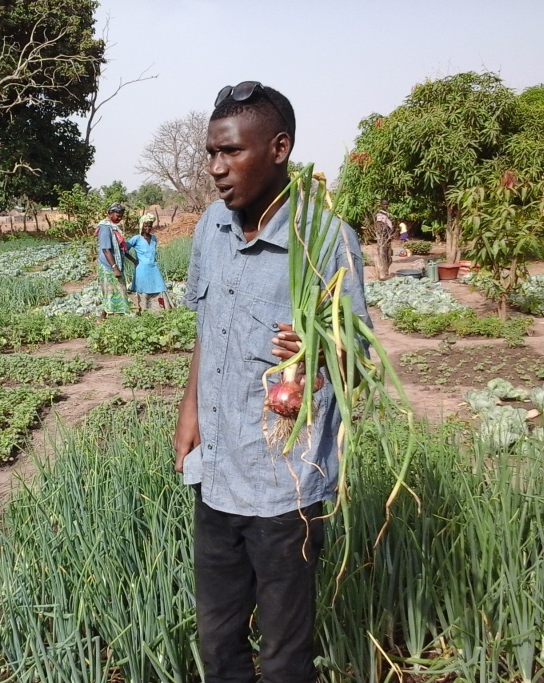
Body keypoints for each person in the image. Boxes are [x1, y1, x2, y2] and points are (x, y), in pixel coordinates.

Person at [173, 81, 370, 683]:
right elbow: (207, 328)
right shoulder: (211, 226)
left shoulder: (326, 242)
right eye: (212, 153)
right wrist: (190, 413)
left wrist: (316, 356)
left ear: (278, 148)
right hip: (218, 472)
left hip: (286, 484)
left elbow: (357, 360)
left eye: (231, 152)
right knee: (218, 638)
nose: (216, 168)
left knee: (286, 654)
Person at [127, 213, 172, 313]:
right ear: (141, 226)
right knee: (144, 292)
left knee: (159, 289)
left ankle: (160, 312)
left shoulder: (154, 238)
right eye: (146, 225)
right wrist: (134, 261)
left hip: (153, 269)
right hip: (142, 270)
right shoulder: (136, 239)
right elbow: (124, 249)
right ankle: (144, 313)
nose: (148, 227)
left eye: (150, 225)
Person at [95, 202, 133, 319]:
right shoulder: (105, 227)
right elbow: (106, 249)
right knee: (111, 292)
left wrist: (133, 260)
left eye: (121, 216)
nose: (120, 218)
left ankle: (108, 317)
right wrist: (114, 267)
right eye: (118, 215)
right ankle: (106, 318)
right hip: (108, 266)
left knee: (116, 291)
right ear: (110, 213)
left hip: (114, 265)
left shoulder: (113, 227)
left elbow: (121, 248)